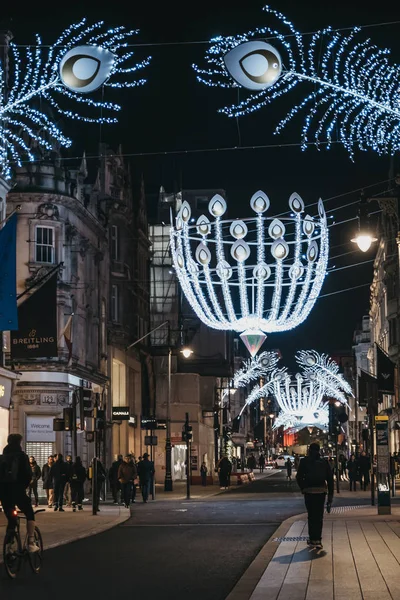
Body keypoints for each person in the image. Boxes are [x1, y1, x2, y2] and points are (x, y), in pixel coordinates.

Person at [0, 434, 39, 553]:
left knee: (12, 519)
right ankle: (31, 542)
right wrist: (23, 487)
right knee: (29, 512)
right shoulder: (22, 456)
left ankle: (9, 547)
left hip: (4, 493)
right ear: (19, 442)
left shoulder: (2, 457)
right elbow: (27, 475)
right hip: (18, 491)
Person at [296, 442, 334, 549]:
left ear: (309, 450)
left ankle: (312, 538)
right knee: (319, 516)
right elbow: (330, 479)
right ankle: (318, 539)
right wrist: (330, 496)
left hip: (309, 491)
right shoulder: (324, 462)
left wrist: (303, 488)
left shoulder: (304, 461)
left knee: (311, 515)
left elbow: (299, 477)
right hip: (321, 491)